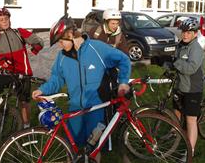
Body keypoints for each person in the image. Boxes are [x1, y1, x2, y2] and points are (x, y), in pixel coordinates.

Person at [32, 15, 131, 162]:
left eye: (61, 41)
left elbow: (124, 60)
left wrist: (123, 82)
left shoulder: (97, 48)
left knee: (94, 148)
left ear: (71, 35)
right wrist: (42, 90)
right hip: (75, 109)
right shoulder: (62, 57)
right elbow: (56, 79)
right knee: (72, 147)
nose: (60, 45)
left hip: (96, 108)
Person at [0, 7, 44, 132]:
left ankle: (26, 126)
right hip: (4, 73)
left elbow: (39, 41)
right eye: (1, 19)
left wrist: (35, 49)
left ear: (9, 19)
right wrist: (0, 63)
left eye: (6, 18)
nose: (4, 21)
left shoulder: (19, 32)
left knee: (24, 102)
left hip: (22, 73)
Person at [169, 18, 205, 158]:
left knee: (190, 120)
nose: (185, 35)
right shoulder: (180, 45)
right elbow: (175, 64)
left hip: (192, 89)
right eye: (184, 32)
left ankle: (190, 152)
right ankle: (174, 134)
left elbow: (190, 68)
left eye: (189, 32)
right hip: (180, 86)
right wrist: (163, 61)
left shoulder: (196, 49)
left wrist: (175, 62)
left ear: (195, 34)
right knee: (176, 111)